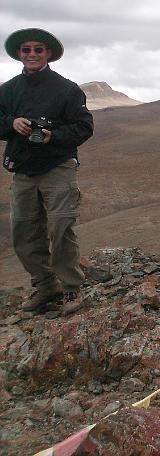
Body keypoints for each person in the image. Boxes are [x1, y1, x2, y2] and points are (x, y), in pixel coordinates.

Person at [1, 28, 94, 314]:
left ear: (48, 53)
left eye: (38, 49)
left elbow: (84, 126)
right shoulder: (8, 90)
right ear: (19, 53)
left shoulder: (66, 89)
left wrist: (54, 136)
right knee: (24, 231)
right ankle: (44, 286)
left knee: (60, 226)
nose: (32, 54)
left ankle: (71, 288)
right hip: (23, 168)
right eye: (26, 49)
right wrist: (11, 124)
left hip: (58, 165)